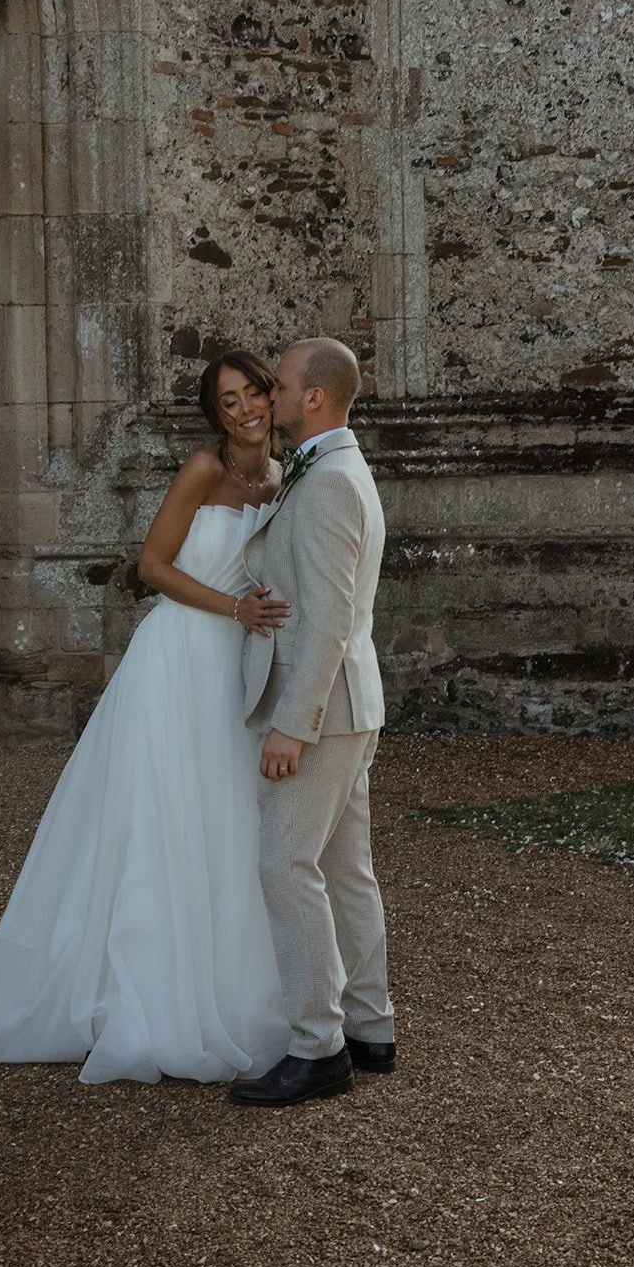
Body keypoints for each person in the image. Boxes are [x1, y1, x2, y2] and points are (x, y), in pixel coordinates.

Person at [0, 351, 294, 1084]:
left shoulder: (283, 473)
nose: (243, 409)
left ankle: (225, 970)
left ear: (270, 394)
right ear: (215, 415)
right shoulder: (203, 471)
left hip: (236, 666)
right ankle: (143, 981)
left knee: (225, 814)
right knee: (155, 813)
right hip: (180, 657)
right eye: (227, 402)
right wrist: (233, 606)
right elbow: (152, 567)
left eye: (251, 393)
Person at [229, 337, 396, 1107]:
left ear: (316, 399)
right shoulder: (329, 467)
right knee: (343, 871)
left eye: (283, 383)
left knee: (283, 866)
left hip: (323, 711)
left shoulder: (329, 480)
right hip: (348, 706)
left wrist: (292, 725)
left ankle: (317, 1048)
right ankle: (370, 1028)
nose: (271, 393)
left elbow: (328, 619)